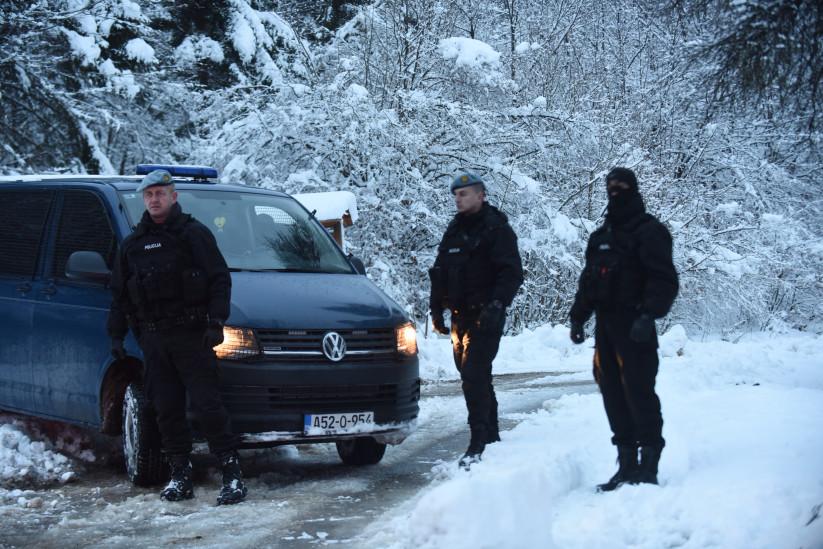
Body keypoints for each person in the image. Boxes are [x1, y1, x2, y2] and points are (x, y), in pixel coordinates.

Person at [108, 169, 247, 505]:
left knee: (208, 406)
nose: (154, 200)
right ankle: (180, 475)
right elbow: (120, 295)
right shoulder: (133, 244)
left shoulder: (194, 234)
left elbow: (219, 280)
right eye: (149, 195)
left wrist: (216, 322)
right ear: (144, 199)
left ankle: (231, 475)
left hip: (193, 336)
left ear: (174, 197)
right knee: (165, 410)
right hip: (155, 340)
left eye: (160, 193)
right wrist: (117, 335)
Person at [569, 167, 679, 491]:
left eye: (622, 186)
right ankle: (626, 463)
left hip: (636, 326)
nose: (615, 190)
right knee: (612, 393)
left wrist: (649, 315)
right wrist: (578, 317)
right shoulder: (600, 237)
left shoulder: (650, 232)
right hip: (606, 326)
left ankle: (649, 463)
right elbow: (588, 282)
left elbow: (664, 279)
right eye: (611, 186)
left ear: (634, 189)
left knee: (639, 391)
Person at [429, 172, 524, 469]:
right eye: (456, 194)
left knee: (473, 373)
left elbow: (511, 272)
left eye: (465, 193)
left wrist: (497, 304)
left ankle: (478, 441)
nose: (458, 198)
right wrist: (436, 310)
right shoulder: (454, 231)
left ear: (481, 195)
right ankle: (492, 434)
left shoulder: (497, 229)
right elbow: (440, 272)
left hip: (487, 314)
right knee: (474, 376)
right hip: (460, 317)